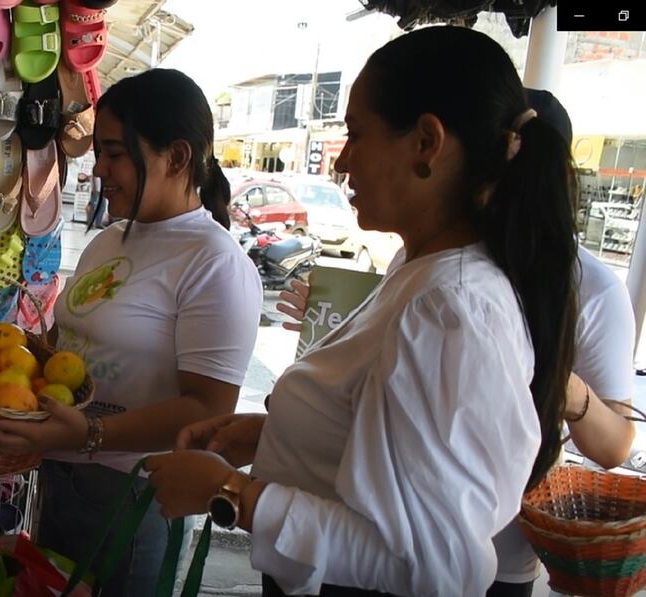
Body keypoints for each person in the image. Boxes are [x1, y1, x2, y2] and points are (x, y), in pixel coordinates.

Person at [145, 27, 581, 595]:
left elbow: (433, 566)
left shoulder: (448, 310)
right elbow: (383, 448)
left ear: (426, 142)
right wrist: (281, 437)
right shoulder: (419, 270)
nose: (343, 161)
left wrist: (231, 496)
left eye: (356, 135)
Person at [269, 87, 638, 595]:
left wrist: (558, 384)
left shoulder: (466, 298)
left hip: (497, 545)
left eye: (357, 134)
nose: (344, 159)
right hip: (361, 539)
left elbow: (616, 443)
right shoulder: (431, 268)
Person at [0, 68, 263, 596]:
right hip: (62, 474)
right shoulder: (109, 241)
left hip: (136, 493)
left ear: (176, 157)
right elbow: (67, 350)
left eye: (114, 153)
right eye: (99, 153)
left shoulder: (214, 263)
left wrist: (88, 434)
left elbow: (207, 411)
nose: (99, 168)